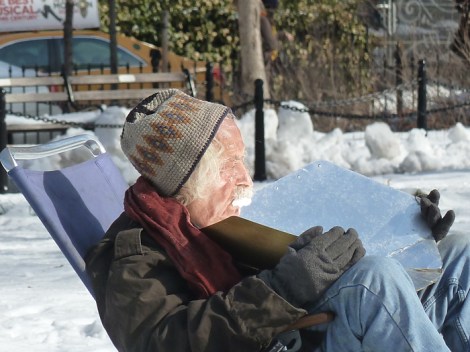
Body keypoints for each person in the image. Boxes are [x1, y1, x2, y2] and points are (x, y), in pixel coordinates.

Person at [85, 89, 468, 352]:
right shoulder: (134, 257)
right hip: (284, 338)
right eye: (228, 166)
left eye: (241, 160)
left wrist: (403, 229)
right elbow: (163, 343)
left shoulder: (209, 218)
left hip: (303, 326)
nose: (245, 180)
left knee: (459, 255)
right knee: (373, 281)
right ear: (185, 182)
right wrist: (282, 289)